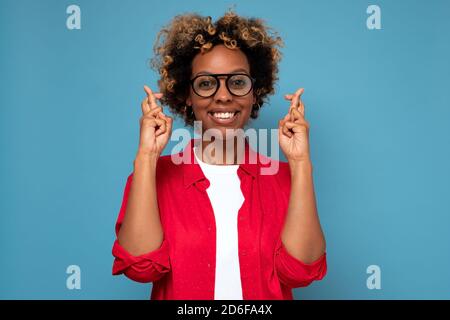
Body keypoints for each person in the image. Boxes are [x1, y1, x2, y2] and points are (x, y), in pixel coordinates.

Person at [112, 10, 327, 300]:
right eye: (206, 83)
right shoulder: (152, 176)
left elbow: (301, 271)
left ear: (255, 92)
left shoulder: (284, 178)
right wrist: (146, 157)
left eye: (237, 82)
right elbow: (140, 267)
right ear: (187, 96)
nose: (223, 95)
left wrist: (301, 164)